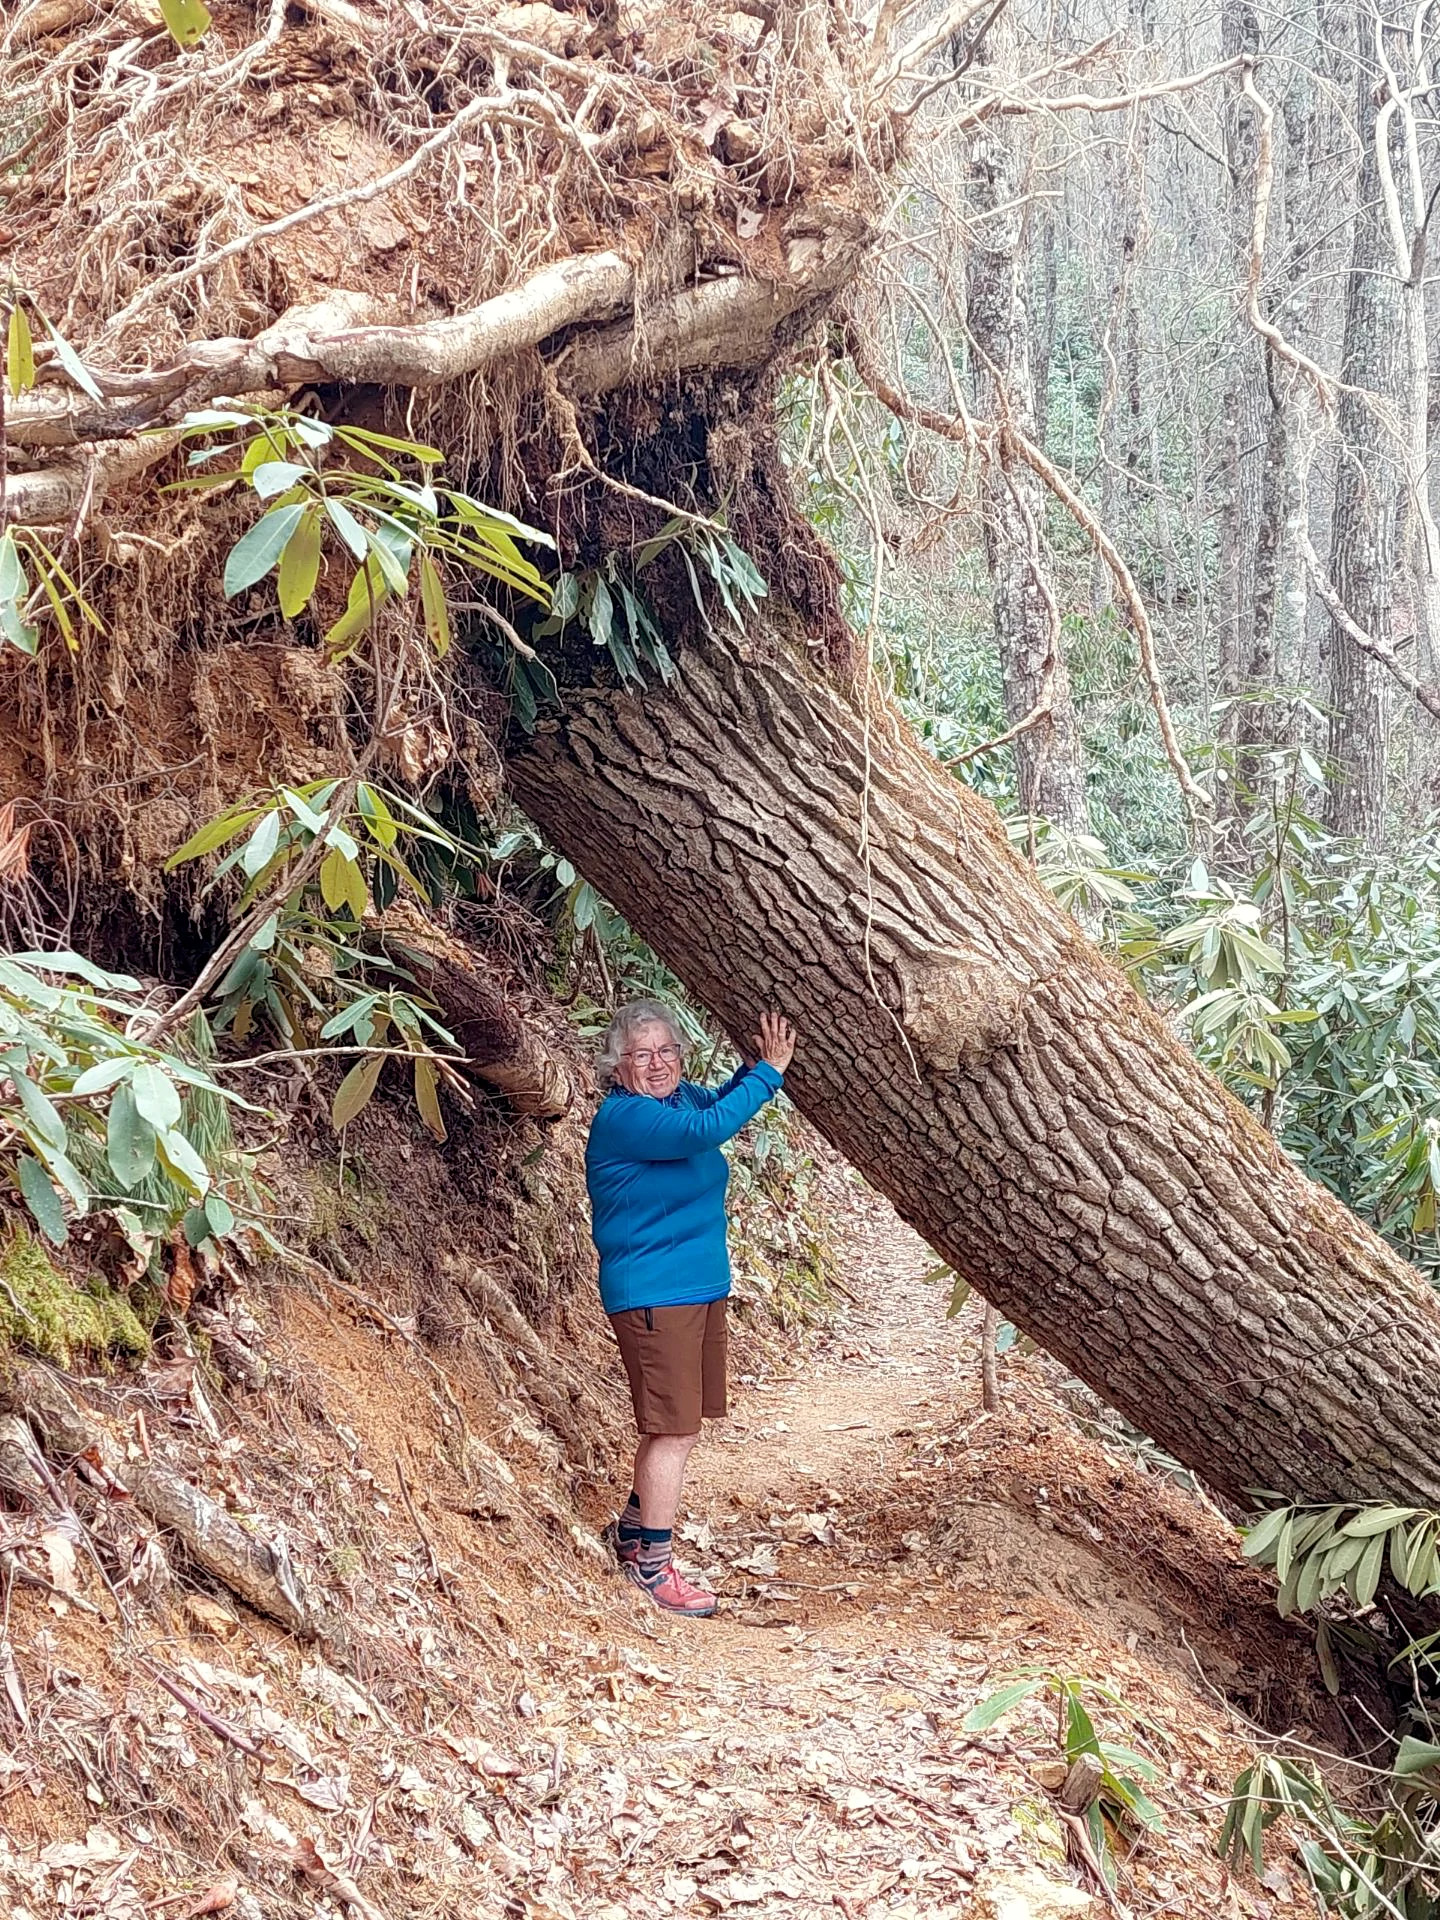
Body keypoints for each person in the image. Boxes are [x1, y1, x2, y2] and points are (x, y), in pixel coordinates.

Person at [585, 1000, 796, 1616]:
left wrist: (753, 1067)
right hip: (653, 1293)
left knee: (682, 1425)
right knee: (671, 1430)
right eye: (641, 1055)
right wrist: (770, 1075)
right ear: (616, 1067)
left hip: (698, 1287)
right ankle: (652, 1565)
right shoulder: (624, 1118)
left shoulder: (680, 1099)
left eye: (667, 1051)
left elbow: (717, 1104)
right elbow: (706, 1133)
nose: (657, 1064)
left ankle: (632, 1530)